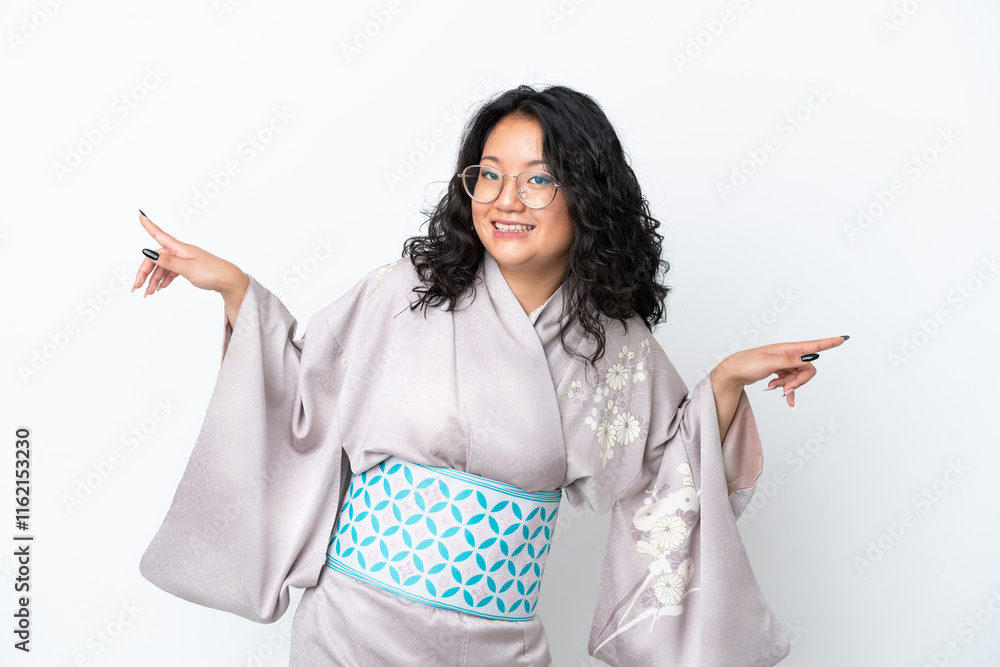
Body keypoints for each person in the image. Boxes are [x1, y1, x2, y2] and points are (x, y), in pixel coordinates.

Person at [134, 84, 847, 666]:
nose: (508, 198)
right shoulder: (405, 290)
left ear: (587, 194)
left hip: (500, 643)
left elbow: (669, 471)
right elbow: (299, 394)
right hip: (352, 630)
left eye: (539, 178)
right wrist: (236, 291)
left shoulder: (617, 345)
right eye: (491, 175)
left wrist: (724, 381)